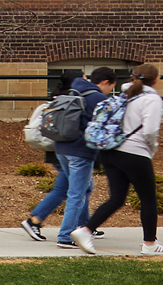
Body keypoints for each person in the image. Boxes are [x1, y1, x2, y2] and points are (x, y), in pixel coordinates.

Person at [19, 67, 115, 251]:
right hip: (81, 152)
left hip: (61, 148)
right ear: (106, 83)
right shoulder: (97, 98)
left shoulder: (71, 93)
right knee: (76, 194)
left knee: (81, 189)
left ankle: (85, 226)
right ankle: (65, 236)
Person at [85, 63, 163, 254]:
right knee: (148, 199)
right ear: (156, 80)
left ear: (134, 77)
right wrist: (152, 148)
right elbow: (150, 130)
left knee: (117, 198)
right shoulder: (151, 99)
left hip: (110, 150)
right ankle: (150, 244)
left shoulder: (124, 95)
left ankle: (85, 230)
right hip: (135, 152)